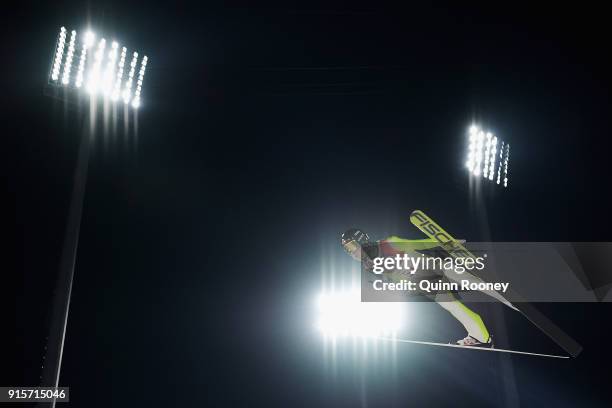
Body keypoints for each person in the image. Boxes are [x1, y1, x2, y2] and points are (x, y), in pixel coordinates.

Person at [341, 228, 493, 347]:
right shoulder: (369, 266)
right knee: (452, 307)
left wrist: (449, 243)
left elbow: (423, 243)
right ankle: (481, 336)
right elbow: (392, 277)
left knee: (463, 281)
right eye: (346, 250)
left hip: (433, 266)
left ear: (361, 240)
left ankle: (488, 281)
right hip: (422, 282)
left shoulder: (388, 244)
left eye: (351, 246)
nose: (350, 252)